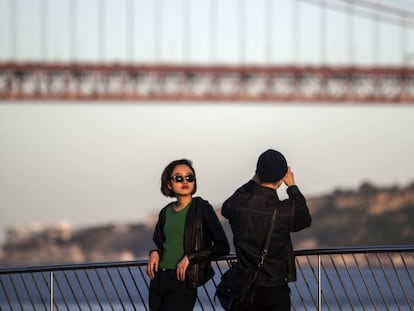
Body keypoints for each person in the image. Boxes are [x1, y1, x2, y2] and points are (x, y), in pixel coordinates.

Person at [221, 149, 311, 311]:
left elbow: (225, 209)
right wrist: (292, 187)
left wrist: (253, 180)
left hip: (244, 287)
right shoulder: (283, 210)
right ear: (282, 176)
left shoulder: (238, 203)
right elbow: (304, 219)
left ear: (257, 172)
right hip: (275, 287)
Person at [147, 159, 230, 311]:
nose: (185, 181)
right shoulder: (165, 212)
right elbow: (161, 244)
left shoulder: (202, 209)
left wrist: (190, 257)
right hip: (159, 279)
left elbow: (223, 246)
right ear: (169, 184)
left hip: (183, 279)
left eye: (189, 177)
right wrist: (154, 252)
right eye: (179, 178)